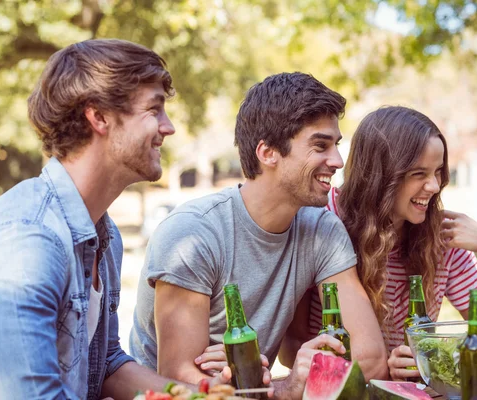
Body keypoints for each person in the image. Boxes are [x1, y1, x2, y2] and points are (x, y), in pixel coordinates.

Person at [0, 39, 235, 400]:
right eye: (154, 110)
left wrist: (198, 396)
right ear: (99, 117)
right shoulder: (26, 242)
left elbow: (105, 363)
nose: (168, 127)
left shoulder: (103, 235)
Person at [130, 72, 388, 399]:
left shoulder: (322, 230)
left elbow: (371, 359)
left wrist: (273, 386)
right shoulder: (193, 235)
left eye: (335, 145)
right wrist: (284, 387)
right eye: (320, 145)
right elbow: (180, 378)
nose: (337, 161)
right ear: (267, 153)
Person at [300, 106, 477, 380]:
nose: (434, 186)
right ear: (381, 175)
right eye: (418, 174)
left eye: (438, 171)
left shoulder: (442, 236)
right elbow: (292, 346)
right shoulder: (323, 220)